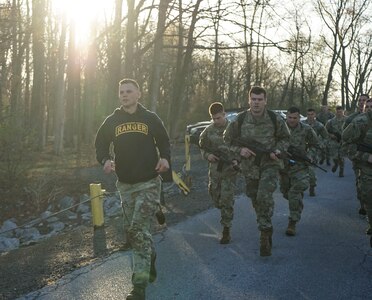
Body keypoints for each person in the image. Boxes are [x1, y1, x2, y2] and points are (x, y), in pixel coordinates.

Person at [95, 78, 171, 300]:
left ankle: (139, 286)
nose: (124, 95)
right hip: (125, 185)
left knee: (138, 230)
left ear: (139, 94)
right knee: (133, 230)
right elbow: (100, 144)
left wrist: (165, 158)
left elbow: (164, 142)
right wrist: (105, 160)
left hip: (148, 182)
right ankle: (151, 255)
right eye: (121, 92)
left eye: (129, 91)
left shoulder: (150, 118)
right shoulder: (112, 121)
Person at [224, 86, 290, 256]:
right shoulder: (240, 120)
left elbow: (285, 138)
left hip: (270, 163)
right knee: (254, 197)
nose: (256, 102)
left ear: (265, 101)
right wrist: (240, 151)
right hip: (249, 166)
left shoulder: (275, 119)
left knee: (263, 195)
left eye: (260, 99)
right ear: (249, 100)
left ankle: (265, 232)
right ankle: (264, 221)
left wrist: (277, 151)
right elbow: (227, 139)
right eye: (253, 99)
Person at [199, 102, 238, 244]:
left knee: (226, 199)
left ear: (224, 114)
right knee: (215, 196)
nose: (216, 121)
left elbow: (242, 147)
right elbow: (202, 147)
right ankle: (224, 209)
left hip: (230, 170)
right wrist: (207, 156)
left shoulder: (234, 129)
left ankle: (226, 229)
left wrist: (237, 160)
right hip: (215, 170)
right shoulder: (208, 131)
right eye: (213, 118)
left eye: (218, 118)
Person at [280, 107, 319, 236]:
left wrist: (309, 156)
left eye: (295, 118)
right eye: (289, 117)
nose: (292, 120)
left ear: (299, 117)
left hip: (300, 166)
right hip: (283, 167)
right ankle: (297, 203)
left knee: (293, 192)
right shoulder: (279, 128)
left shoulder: (306, 129)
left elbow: (316, 144)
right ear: (286, 116)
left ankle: (293, 221)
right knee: (285, 192)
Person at [342, 109, 372, 239]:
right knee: (369, 197)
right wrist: (366, 156)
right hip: (367, 168)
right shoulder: (361, 122)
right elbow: (346, 146)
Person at [343, 94, 369, 216]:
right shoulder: (353, 119)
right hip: (360, 159)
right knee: (363, 186)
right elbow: (345, 138)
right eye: (360, 100)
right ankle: (364, 204)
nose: (362, 103)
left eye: (364, 100)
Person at [303, 108, 328, 196]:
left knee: (311, 170)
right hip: (301, 149)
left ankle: (312, 186)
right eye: (308, 114)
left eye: (312, 114)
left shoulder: (319, 125)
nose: (310, 116)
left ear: (315, 115)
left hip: (313, 150)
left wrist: (320, 145)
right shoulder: (302, 124)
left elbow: (325, 137)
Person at [325, 106, 346, 177]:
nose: (339, 113)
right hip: (334, 142)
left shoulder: (347, 120)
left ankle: (341, 171)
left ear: (343, 111)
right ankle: (336, 164)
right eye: (337, 112)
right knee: (334, 157)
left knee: (341, 157)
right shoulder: (331, 121)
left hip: (344, 141)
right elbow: (325, 131)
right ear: (335, 112)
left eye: (340, 112)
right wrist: (331, 135)